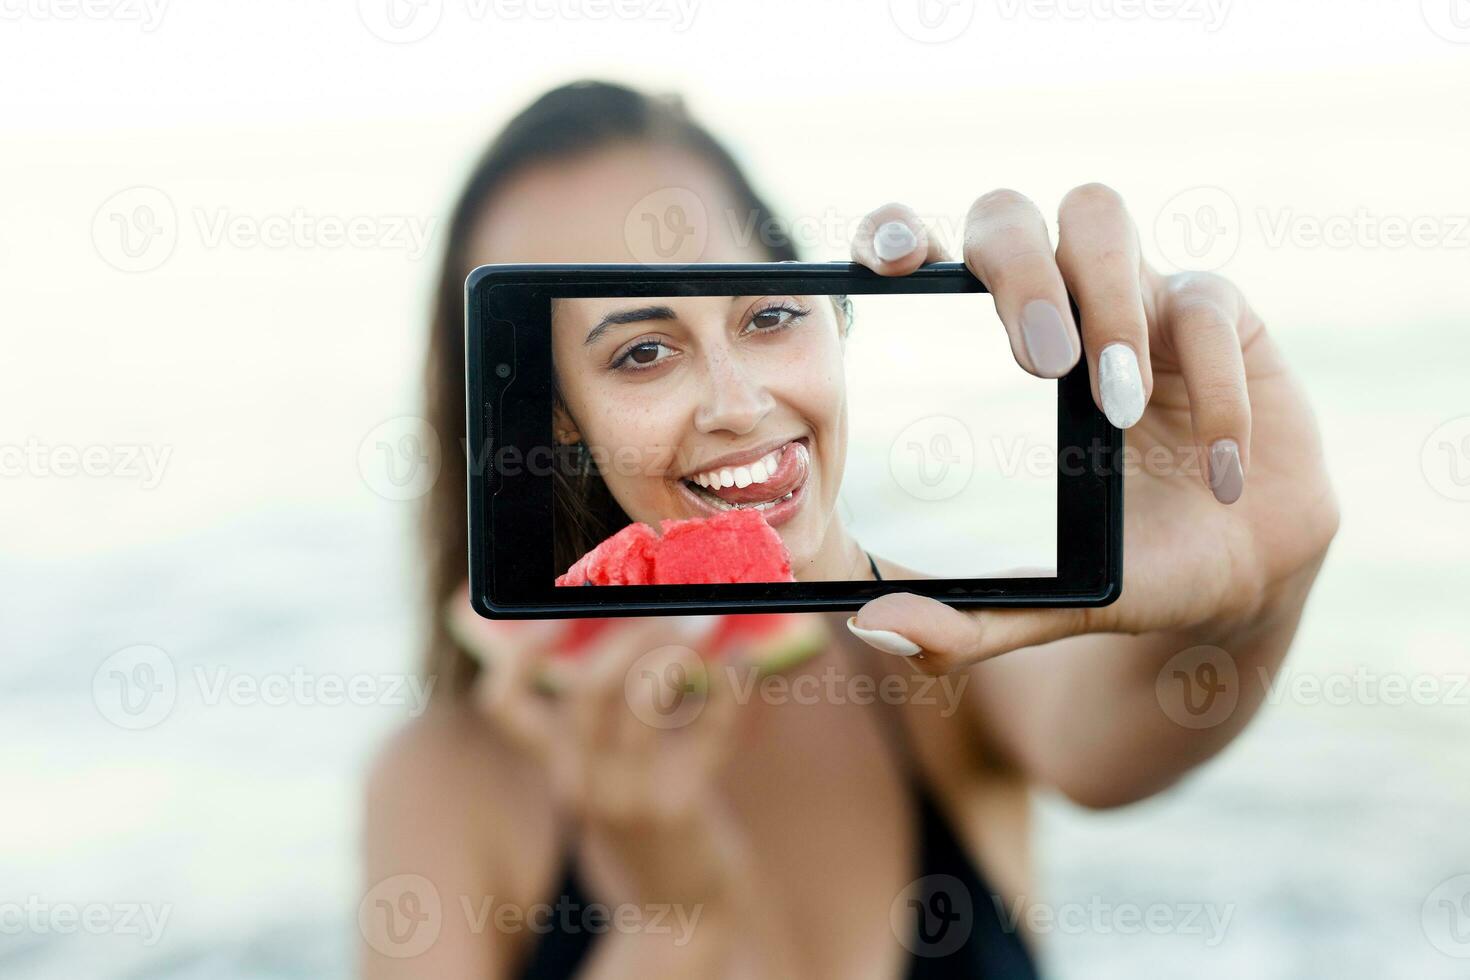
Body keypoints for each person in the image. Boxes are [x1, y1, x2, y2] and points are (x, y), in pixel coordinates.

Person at [362, 80, 1339, 978]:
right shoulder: (443, 782)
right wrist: (678, 921)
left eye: (769, 312)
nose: (738, 404)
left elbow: (1124, 733)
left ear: (830, 310)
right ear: (550, 413)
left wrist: (1256, 588)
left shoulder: (933, 659)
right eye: (643, 350)